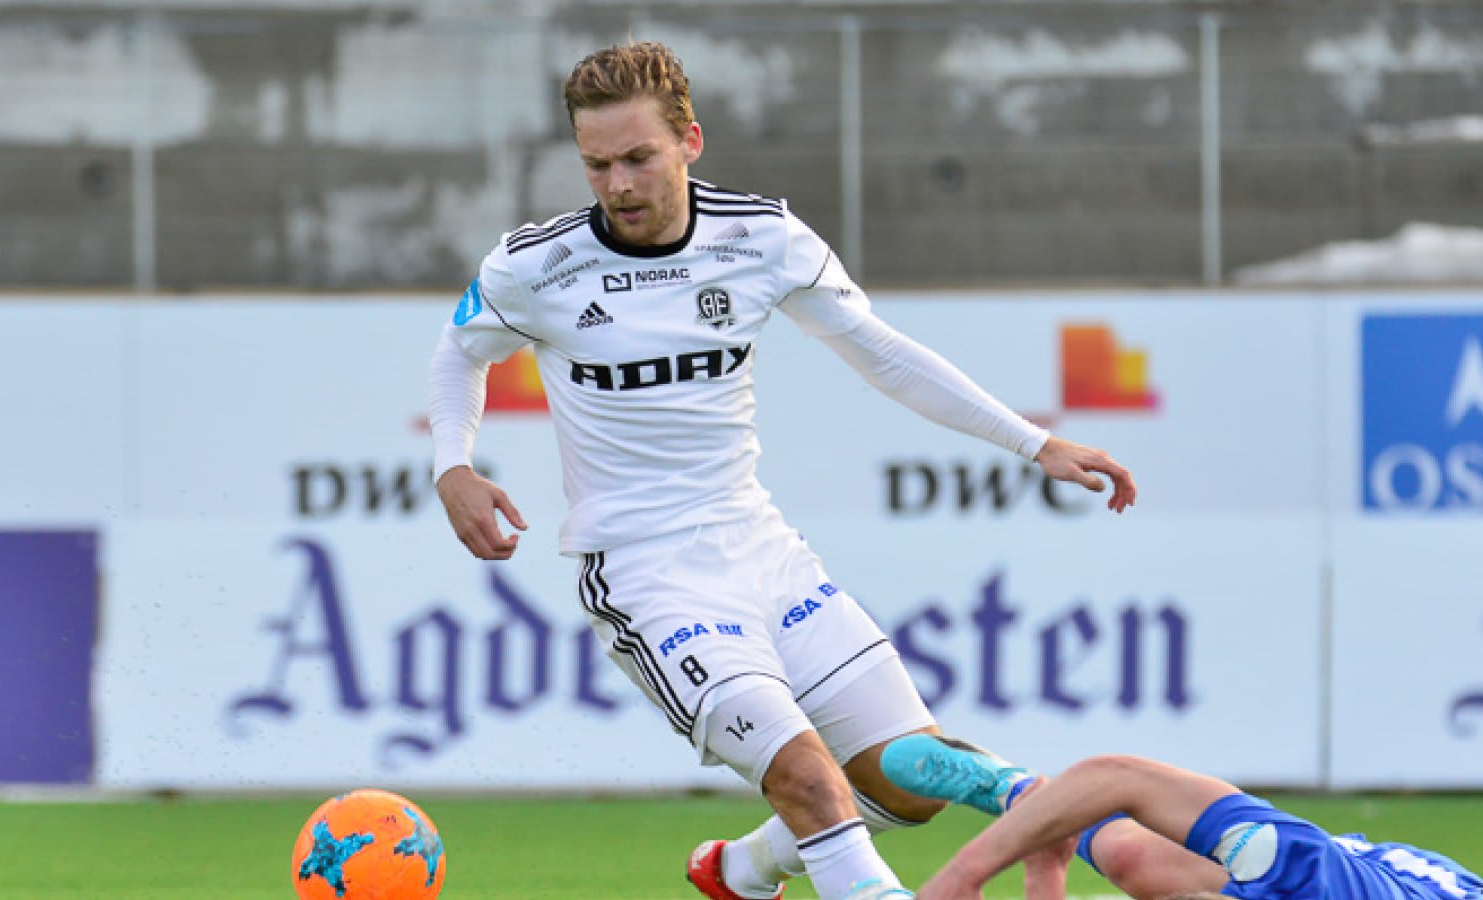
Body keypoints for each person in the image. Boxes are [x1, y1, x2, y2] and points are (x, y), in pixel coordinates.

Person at [427, 40, 1136, 900]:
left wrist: (1034, 442)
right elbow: (460, 351)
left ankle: (742, 870)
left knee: (909, 782)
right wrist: (452, 466)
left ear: (690, 140)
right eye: (597, 165)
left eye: (639, 158)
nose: (618, 185)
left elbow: (882, 353)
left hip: (761, 550)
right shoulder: (539, 265)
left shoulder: (761, 238)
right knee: (806, 778)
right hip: (648, 574)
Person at [878, 735, 1483, 900]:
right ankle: (1013, 789)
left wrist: (1046, 873)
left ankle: (1037, 810)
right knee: (1129, 854)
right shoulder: (1296, 867)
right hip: (1409, 882)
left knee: (1130, 857)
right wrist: (965, 875)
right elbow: (1117, 776)